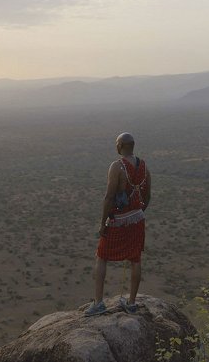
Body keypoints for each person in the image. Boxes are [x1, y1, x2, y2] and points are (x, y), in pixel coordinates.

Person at [85, 132, 151, 316]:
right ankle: (131, 303)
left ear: (120, 146)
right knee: (135, 259)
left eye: (117, 143)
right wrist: (137, 212)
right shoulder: (144, 167)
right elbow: (147, 197)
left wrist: (102, 224)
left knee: (101, 255)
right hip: (137, 219)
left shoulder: (117, 166)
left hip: (118, 220)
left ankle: (98, 303)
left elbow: (109, 197)